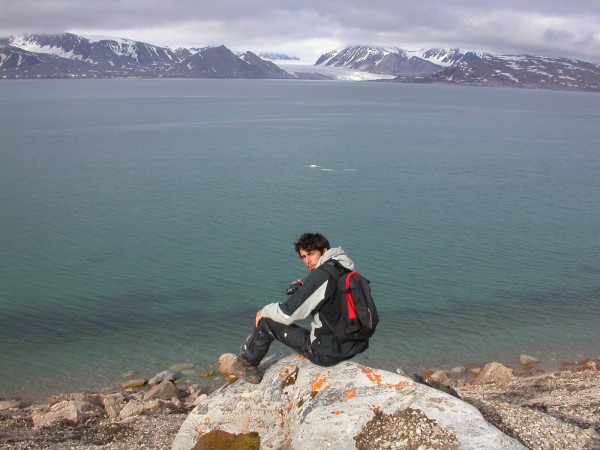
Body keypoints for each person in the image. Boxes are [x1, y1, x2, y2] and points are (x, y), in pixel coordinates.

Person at [230, 232, 369, 384]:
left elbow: (289, 313)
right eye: (303, 257)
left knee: (267, 320)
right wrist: (305, 290)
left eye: (311, 254)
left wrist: (265, 310)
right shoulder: (345, 267)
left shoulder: (322, 276)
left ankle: (247, 365)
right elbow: (333, 303)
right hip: (353, 346)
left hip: (327, 353)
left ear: (324, 250)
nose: (308, 261)